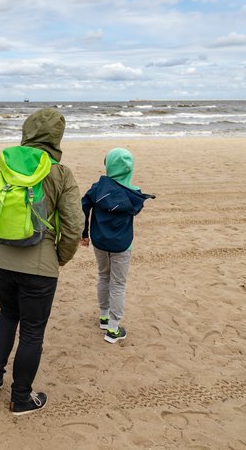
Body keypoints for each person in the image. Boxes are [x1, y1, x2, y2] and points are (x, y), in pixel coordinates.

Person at [0, 108, 82, 415]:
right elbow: (74, 226)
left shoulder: (2, 163)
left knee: (7, 313)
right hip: (40, 267)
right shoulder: (60, 172)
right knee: (33, 330)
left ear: (27, 130)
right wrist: (59, 258)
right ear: (56, 137)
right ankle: (21, 398)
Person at [80, 147, 154, 344]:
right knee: (118, 283)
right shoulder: (134, 194)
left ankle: (104, 316)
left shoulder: (98, 188)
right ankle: (113, 328)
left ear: (109, 165)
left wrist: (83, 233)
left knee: (104, 276)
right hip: (122, 244)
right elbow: (135, 207)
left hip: (99, 241)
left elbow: (83, 206)